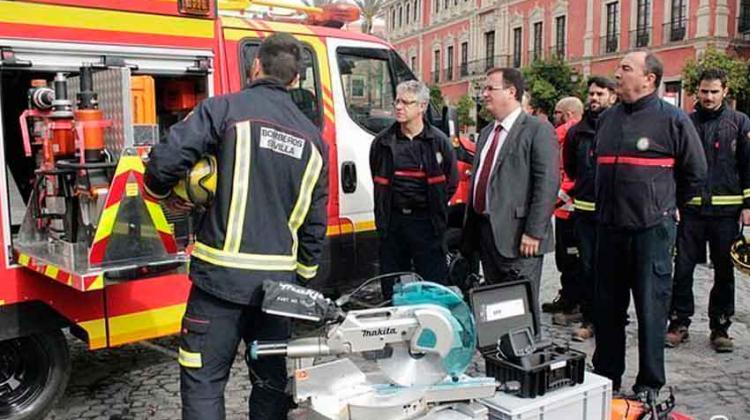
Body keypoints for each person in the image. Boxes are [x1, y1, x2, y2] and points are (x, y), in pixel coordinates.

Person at [143, 34, 329, 420]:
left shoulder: (224, 110)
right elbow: (314, 225)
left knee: (204, 381)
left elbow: (163, 163)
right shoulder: (314, 141)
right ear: (296, 80)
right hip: (277, 292)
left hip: (219, 286)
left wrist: (163, 194)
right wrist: (302, 280)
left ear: (255, 67)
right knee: (270, 384)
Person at [591, 50, 706, 399]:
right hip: (609, 229)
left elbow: (696, 174)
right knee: (607, 309)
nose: (617, 73)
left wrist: (665, 208)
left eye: (626, 68)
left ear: (649, 79)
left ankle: (649, 383)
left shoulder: (673, 120)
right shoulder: (607, 119)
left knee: (652, 310)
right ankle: (607, 376)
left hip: (650, 232)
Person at [462, 67, 559, 331]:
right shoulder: (486, 133)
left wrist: (534, 231)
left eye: (489, 89)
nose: (484, 95)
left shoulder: (537, 129)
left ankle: (524, 364)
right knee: (495, 308)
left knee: (520, 308)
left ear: (511, 92)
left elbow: (547, 182)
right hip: (486, 232)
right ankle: (500, 362)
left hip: (520, 237)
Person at [666, 68, 750, 353]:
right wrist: (674, 203)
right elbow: (675, 167)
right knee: (683, 270)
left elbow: (747, 166)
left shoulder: (740, 122)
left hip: (726, 213)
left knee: (724, 272)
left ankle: (720, 327)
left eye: (714, 91)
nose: (709, 97)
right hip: (690, 212)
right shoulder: (684, 122)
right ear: (697, 92)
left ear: (725, 91)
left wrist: (748, 205)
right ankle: (679, 323)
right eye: (704, 91)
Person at [370, 80, 458, 298]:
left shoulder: (438, 142)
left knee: (433, 285)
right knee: (391, 287)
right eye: (397, 101)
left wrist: (434, 210)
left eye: (406, 102)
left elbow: (451, 182)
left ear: (422, 106)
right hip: (393, 224)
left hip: (427, 224)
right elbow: (376, 176)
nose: (399, 107)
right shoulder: (382, 142)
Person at [562, 76, 618, 341]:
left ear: (612, 97)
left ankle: (613, 317)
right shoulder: (576, 132)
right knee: (587, 268)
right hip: (585, 212)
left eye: (600, 94)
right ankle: (589, 318)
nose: (594, 99)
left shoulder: (620, 127)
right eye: (592, 94)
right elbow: (571, 167)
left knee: (614, 269)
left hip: (616, 214)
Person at [543, 97, 584, 326]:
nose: (554, 117)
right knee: (567, 259)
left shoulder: (567, 134)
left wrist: (552, 200)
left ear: (568, 114)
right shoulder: (573, 134)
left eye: (557, 112)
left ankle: (574, 303)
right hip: (566, 209)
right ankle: (568, 298)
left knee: (570, 259)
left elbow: (569, 176)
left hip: (570, 210)